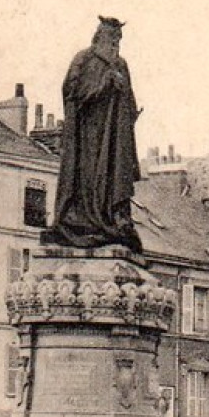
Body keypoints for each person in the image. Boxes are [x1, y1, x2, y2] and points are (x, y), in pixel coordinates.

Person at [41, 17, 144, 252]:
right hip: (86, 137)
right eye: (111, 38)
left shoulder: (121, 65)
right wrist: (103, 85)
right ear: (99, 37)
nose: (115, 45)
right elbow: (71, 92)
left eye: (118, 40)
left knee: (112, 179)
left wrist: (129, 107)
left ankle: (112, 218)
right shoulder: (83, 59)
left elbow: (129, 99)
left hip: (114, 139)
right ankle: (80, 220)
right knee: (86, 179)